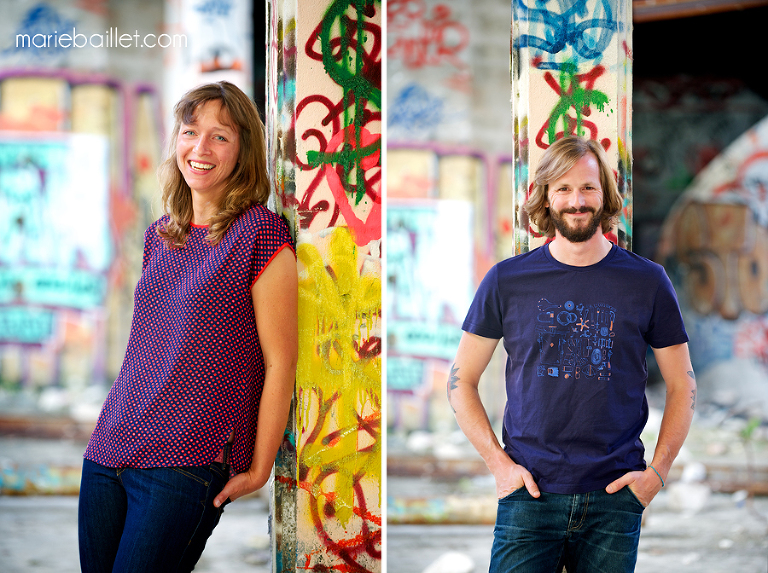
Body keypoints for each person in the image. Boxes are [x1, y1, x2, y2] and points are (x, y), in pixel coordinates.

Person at [447, 136, 696, 572]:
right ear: (545, 195)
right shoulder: (507, 281)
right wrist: (499, 466)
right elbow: (460, 381)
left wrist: (656, 475)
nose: (576, 201)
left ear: (605, 195)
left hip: (615, 499)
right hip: (529, 496)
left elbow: (682, 384)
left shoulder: (648, 282)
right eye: (562, 189)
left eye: (588, 188)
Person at [78, 81, 298, 573]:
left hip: (185, 461)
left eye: (220, 136)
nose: (200, 148)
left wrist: (260, 466)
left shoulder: (260, 233)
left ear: (243, 149)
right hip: (110, 447)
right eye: (190, 131)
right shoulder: (162, 236)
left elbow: (280, 360)